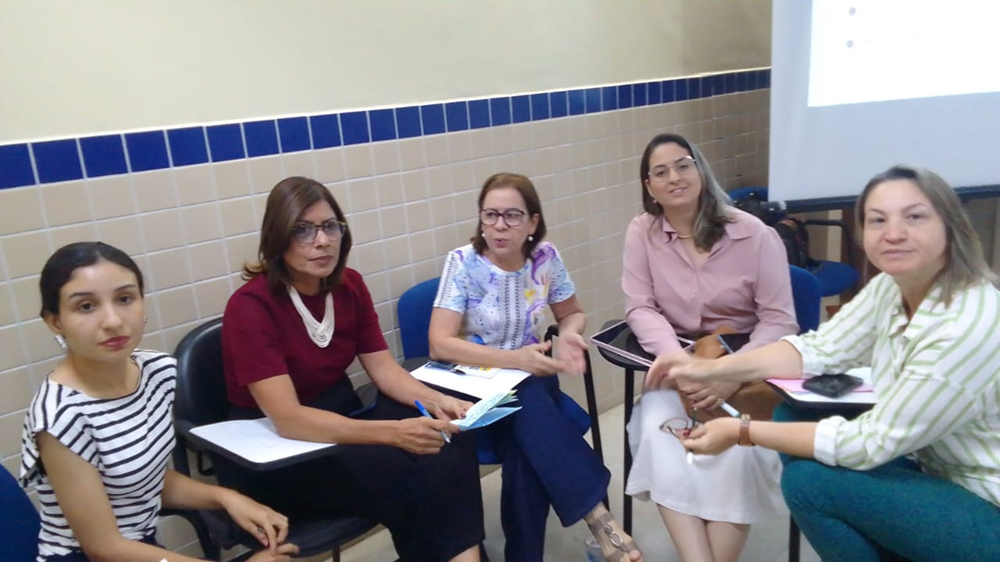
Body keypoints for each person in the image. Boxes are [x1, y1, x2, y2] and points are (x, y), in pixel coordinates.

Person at [656, 165, 1000, 562]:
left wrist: (741, 430)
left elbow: (872, 443)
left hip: (987, 502)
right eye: (878, 220)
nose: (893, 233)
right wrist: (711, 369)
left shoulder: (966, 326)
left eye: (914, 217)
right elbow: (818, 349)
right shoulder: (893, 287)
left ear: (951, 227)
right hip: (937, 465)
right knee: (790, 416)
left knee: (810, 485)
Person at [220, 176, 485, 562]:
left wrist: (438, 400)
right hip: (281, 453)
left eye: (330, 226)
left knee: (447, 435)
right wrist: (393, 434)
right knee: (417, 470)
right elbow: (289, 419)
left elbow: (385, 370)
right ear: (277, 238)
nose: (322, 241)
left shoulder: (350, 286)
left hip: (343, 421)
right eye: (303, 230)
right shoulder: (250, 307)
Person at [20, 242, 296, 562]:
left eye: (125, 299)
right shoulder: (60, 416)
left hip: (140, 548)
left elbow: (142, 480)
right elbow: (104, 547)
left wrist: (227, 498)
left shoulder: (157, 371)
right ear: (55, 321)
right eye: (86, 306)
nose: (112, 321)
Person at [428, 172, 642, 562]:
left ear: (532, 222)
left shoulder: (545, 258)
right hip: (475, 388)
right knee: (527, 405)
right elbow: (439, 344)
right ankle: (598, 516)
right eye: (490, 215)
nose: (499, 226)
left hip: (531, 382)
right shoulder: (463, 263)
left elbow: (572, 312)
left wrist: (570, 334)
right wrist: (516, 360)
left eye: (512, 215)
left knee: (525, 444)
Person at [621, 133, 799, 562]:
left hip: (745, 366)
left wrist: (729, 374)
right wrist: (677, 360)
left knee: (734, 455)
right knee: (659, 434)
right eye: (660, 172)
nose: (674, 177)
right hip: (680, 365)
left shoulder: (753, 234)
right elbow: (640, 307)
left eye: (683, 165)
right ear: (649, 187)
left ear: (700, 170)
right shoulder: (642, 232)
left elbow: (780, 320)